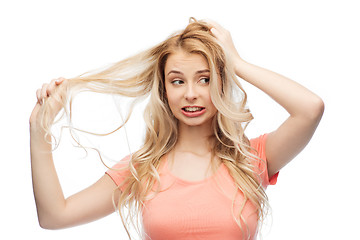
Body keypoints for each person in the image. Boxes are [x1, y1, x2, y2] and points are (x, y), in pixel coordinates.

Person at [29, 18, 324, 240]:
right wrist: (38, 129)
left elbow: (310, 109)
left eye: (205, 79)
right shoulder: (143, 168)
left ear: (222, 83)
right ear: (165, 90)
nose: (191, 93)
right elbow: (55, 216)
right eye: (178, 80)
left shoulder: (253, 158)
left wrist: (236, 62)